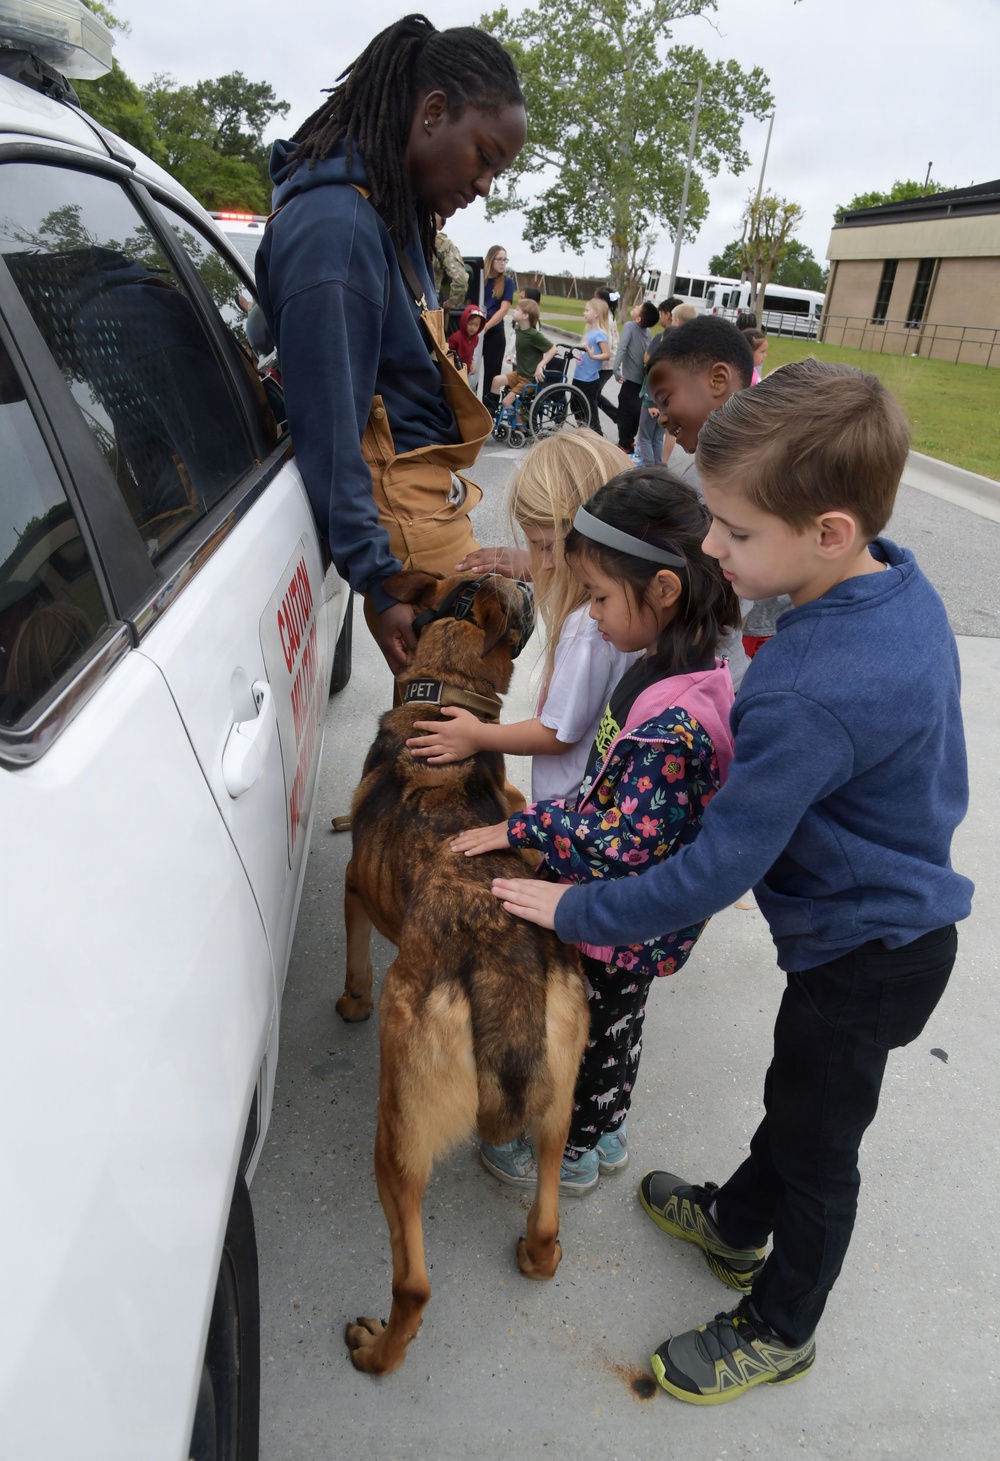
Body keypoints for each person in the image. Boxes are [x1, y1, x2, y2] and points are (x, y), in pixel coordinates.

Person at [487, 359, 973, 1405]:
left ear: (830, 531)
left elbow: (709, 869)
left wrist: (576, 906)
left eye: (735, 533)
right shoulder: (895, 581)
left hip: (866, 949)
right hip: (874, 925)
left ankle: (781, 1322)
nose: (710, 547)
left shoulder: (801, 693)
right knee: (796, 1099)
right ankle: (732, 1223)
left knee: (816, 1146)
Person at [450, 469, 738, 1193]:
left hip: (623, 914)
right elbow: (606, 787)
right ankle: (607, 1131)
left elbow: (621, 837)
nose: (594, 614)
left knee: (591, 1031)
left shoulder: (676, 721)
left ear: (664, 591)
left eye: (602, 596)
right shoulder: (663, 665)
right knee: (617, 1024)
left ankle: (574, 1147)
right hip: (630, 911)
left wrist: (528, 827)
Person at [255, 16, 525, 674]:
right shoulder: (338, 228)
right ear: (433, 112)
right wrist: (380, 578)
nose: (487, 183)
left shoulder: (383, 211)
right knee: (455, 739)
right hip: (400, 518)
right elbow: (329, 427)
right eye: (485, 156)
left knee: (465, 714)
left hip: (424, 499)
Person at [409, 428, 631, 801]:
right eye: (534, 548)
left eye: (547, 548)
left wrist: (477, 736)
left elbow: (556, 735)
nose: (542, 565)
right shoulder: (624, 606)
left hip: (572, 809)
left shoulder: (587, 630)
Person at [644, 315, 755, 687]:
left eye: (666, 399)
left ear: (718, 381)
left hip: (723, 680)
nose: (660, 417)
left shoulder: (753, 476)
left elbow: (730, 606)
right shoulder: (701, 474)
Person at [490, 297, 556, 408]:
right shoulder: (519, 329)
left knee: (506, 402)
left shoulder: (534, 335)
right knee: (496, 380)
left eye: (517, 310)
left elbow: (553, 349)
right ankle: (490, 412)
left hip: (528, 379)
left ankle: (519, 425)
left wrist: (540, 366)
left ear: (525, 316)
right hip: (518, 374)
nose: (513, 311)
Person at [614, 300, 658, 454]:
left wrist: (616, 369)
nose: (636, 306)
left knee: (625, 410)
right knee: (635, 410)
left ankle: (624, 443)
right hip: (641, 379)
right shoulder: (648, 332)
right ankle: (629, 441)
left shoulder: (629, 326)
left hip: (630, 378)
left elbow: (622, 348)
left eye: (638, 308)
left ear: (638, 319)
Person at [480, 244, 515, 410]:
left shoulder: (507, 282)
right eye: (499, 259)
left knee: (491, 377)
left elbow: (504, 309)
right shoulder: (481, 279)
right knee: (470, 373)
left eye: (505, 259)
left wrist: (486, 327)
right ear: (491, 259)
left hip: (494, 333)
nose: (502, 263)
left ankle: (489, 413)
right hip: (475, 331)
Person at [573, 297, 613, 434]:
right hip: (579, 376)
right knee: (575, 405)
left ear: (596, 313)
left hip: (589, 379)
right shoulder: (589, 333)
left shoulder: (600, 334)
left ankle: (597, 435)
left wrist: (593, 356)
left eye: (587, 310)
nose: (584, 313)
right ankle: (584, 432)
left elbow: (606, 354)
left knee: (589, 408)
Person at [593, 285, 620, 429]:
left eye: (595, 298)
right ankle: (617, 416)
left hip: (606, 363)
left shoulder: (606, 318)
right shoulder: (609, 315)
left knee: (592, 394)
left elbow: (605, 342)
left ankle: (616, 418)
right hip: (608, 362)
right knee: (594, 394)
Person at [433, 214, 470, 308]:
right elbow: (461, 281)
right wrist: (451, 304)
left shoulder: (396, 233)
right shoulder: (442, 244)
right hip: (425, 309)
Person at [447, 302, 486, 373]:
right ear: (464, 322)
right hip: (453, 371)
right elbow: (446, 352)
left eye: (476, 325)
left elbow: (469, 353)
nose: (473, 327)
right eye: (470, 324)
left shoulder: (475, 338)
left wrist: (472, 363)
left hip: (465, 371)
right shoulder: (456, 337)